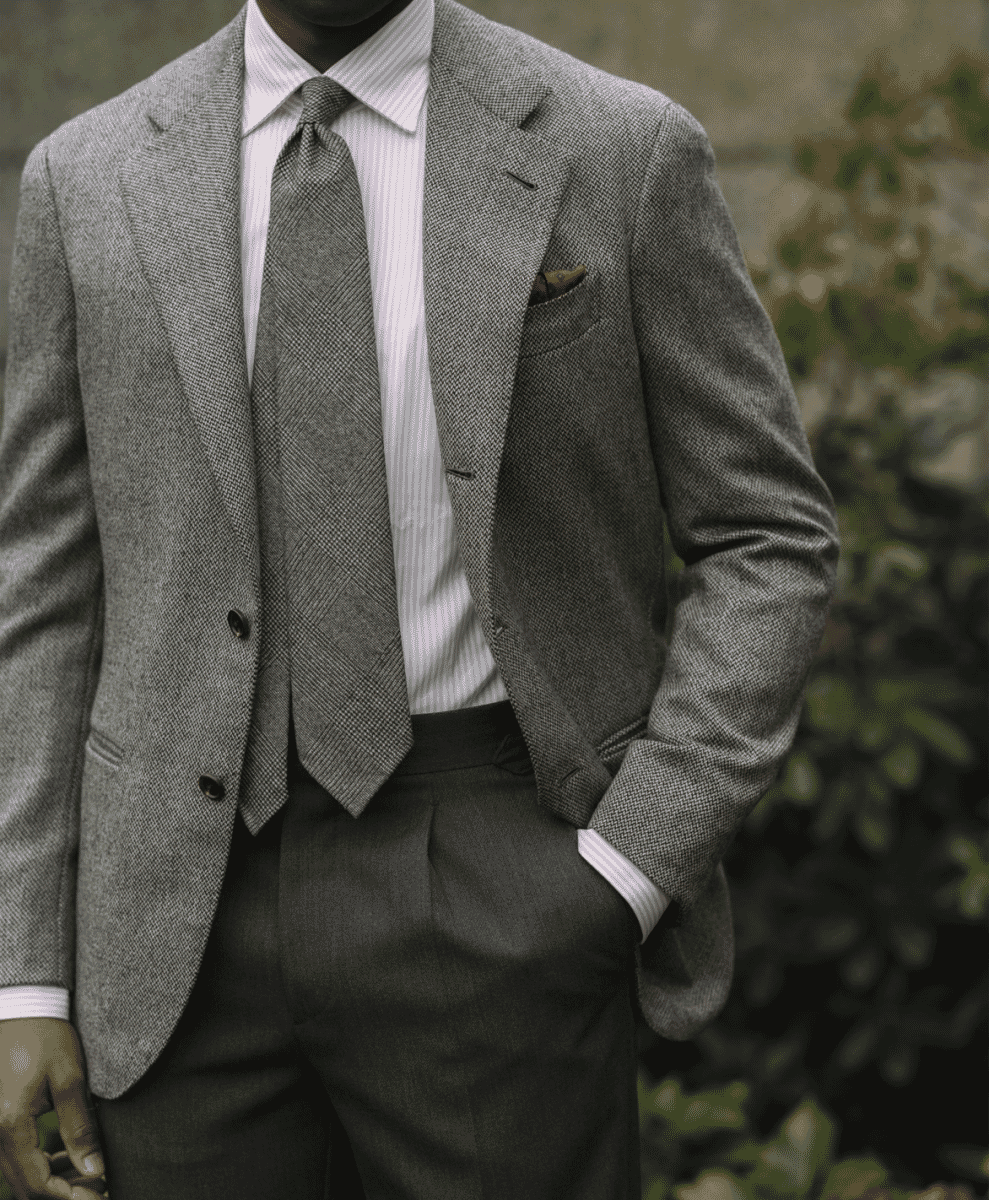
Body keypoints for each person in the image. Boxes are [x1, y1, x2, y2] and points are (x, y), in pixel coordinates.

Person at [0, 0, 840, 1195]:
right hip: (167, 933)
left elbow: (767, 531)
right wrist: (23, 976)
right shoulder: (86, 179)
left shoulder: (617, 147)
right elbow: (44, 587)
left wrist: (626, 872)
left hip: (501, 876)